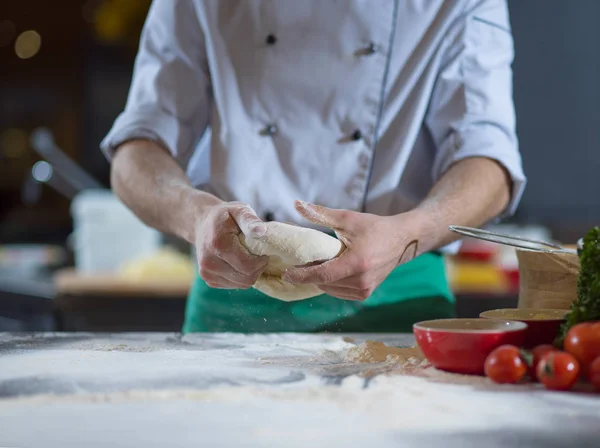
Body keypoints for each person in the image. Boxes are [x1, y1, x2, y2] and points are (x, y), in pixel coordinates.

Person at [101, 0, 526, 333]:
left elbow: (488, 162)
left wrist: (407, 234)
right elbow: (135, 153)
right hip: (234, 292)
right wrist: (196, 217)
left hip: (397, 292)